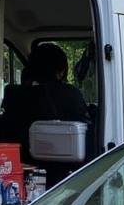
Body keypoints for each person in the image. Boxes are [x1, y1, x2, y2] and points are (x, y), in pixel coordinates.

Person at [18, 42, 90, 184]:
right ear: (61, 70)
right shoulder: (71, 94)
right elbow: (86, 129)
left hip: (24, 169)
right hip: (65, 174)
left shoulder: (16, 96)